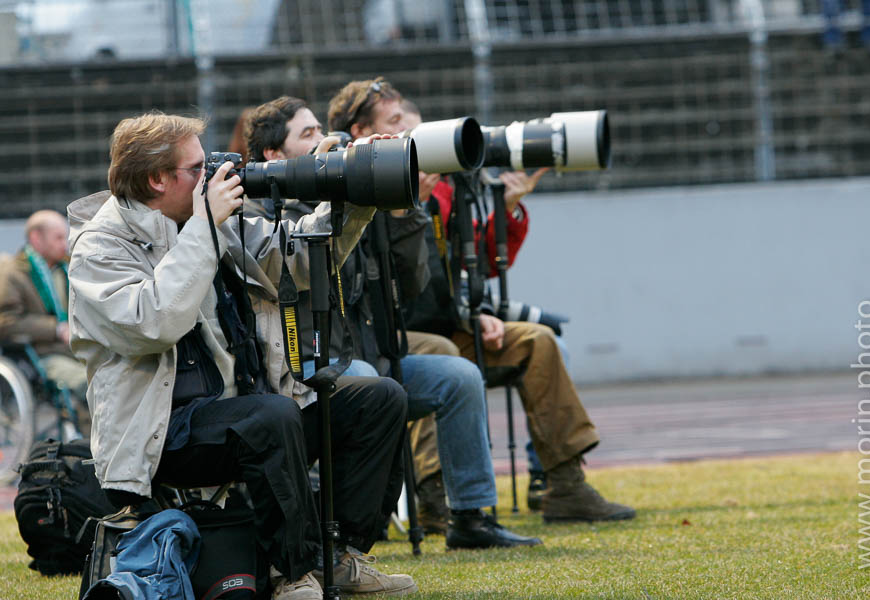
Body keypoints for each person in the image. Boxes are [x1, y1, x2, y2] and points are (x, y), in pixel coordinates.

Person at [67, 112, 415, 599]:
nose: (213, 175)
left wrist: (355, 193)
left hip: (242, 410)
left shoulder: (204, 218)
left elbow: (294, 257)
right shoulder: (99, 248)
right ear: (156, 179)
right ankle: (292, 573)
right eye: (197, 168)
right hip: (161, 436)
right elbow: (154, 321)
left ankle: (337, 556)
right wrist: (206, 224)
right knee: (268, 418)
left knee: (377, 399)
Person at [329, 78, 636, 524]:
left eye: (419, 132)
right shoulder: (355, 191)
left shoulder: (447, 191)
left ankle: (565, 486)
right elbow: (395, 284)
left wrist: (483, 308)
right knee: (443, 354)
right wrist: (407, 204)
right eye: (399, 128)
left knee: (539, 341)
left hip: (452, 325)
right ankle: (433, 494)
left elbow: (473, 267)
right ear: (362, 133)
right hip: (384, 336)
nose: (419, 144)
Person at [242, 96, 541, 550]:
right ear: (273, 156)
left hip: (366, 356)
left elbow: (412, 285)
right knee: (366, 381)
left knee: (459, 376)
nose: (323, 139)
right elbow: (296, 273)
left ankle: (468, 515)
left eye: (320, 128)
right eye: (307, 135)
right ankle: (348, 530)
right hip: (300, 371)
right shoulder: (261, 216)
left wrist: (404, 209)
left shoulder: (350, 198)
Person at [0, 209, 89, 434]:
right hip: (42, 355)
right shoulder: (12, 273)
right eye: (58, 237)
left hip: (76, 350)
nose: (65, 244)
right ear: (36, 238)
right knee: (92, 384)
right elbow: (6, 322)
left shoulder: (67, 270)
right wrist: (56, 330)